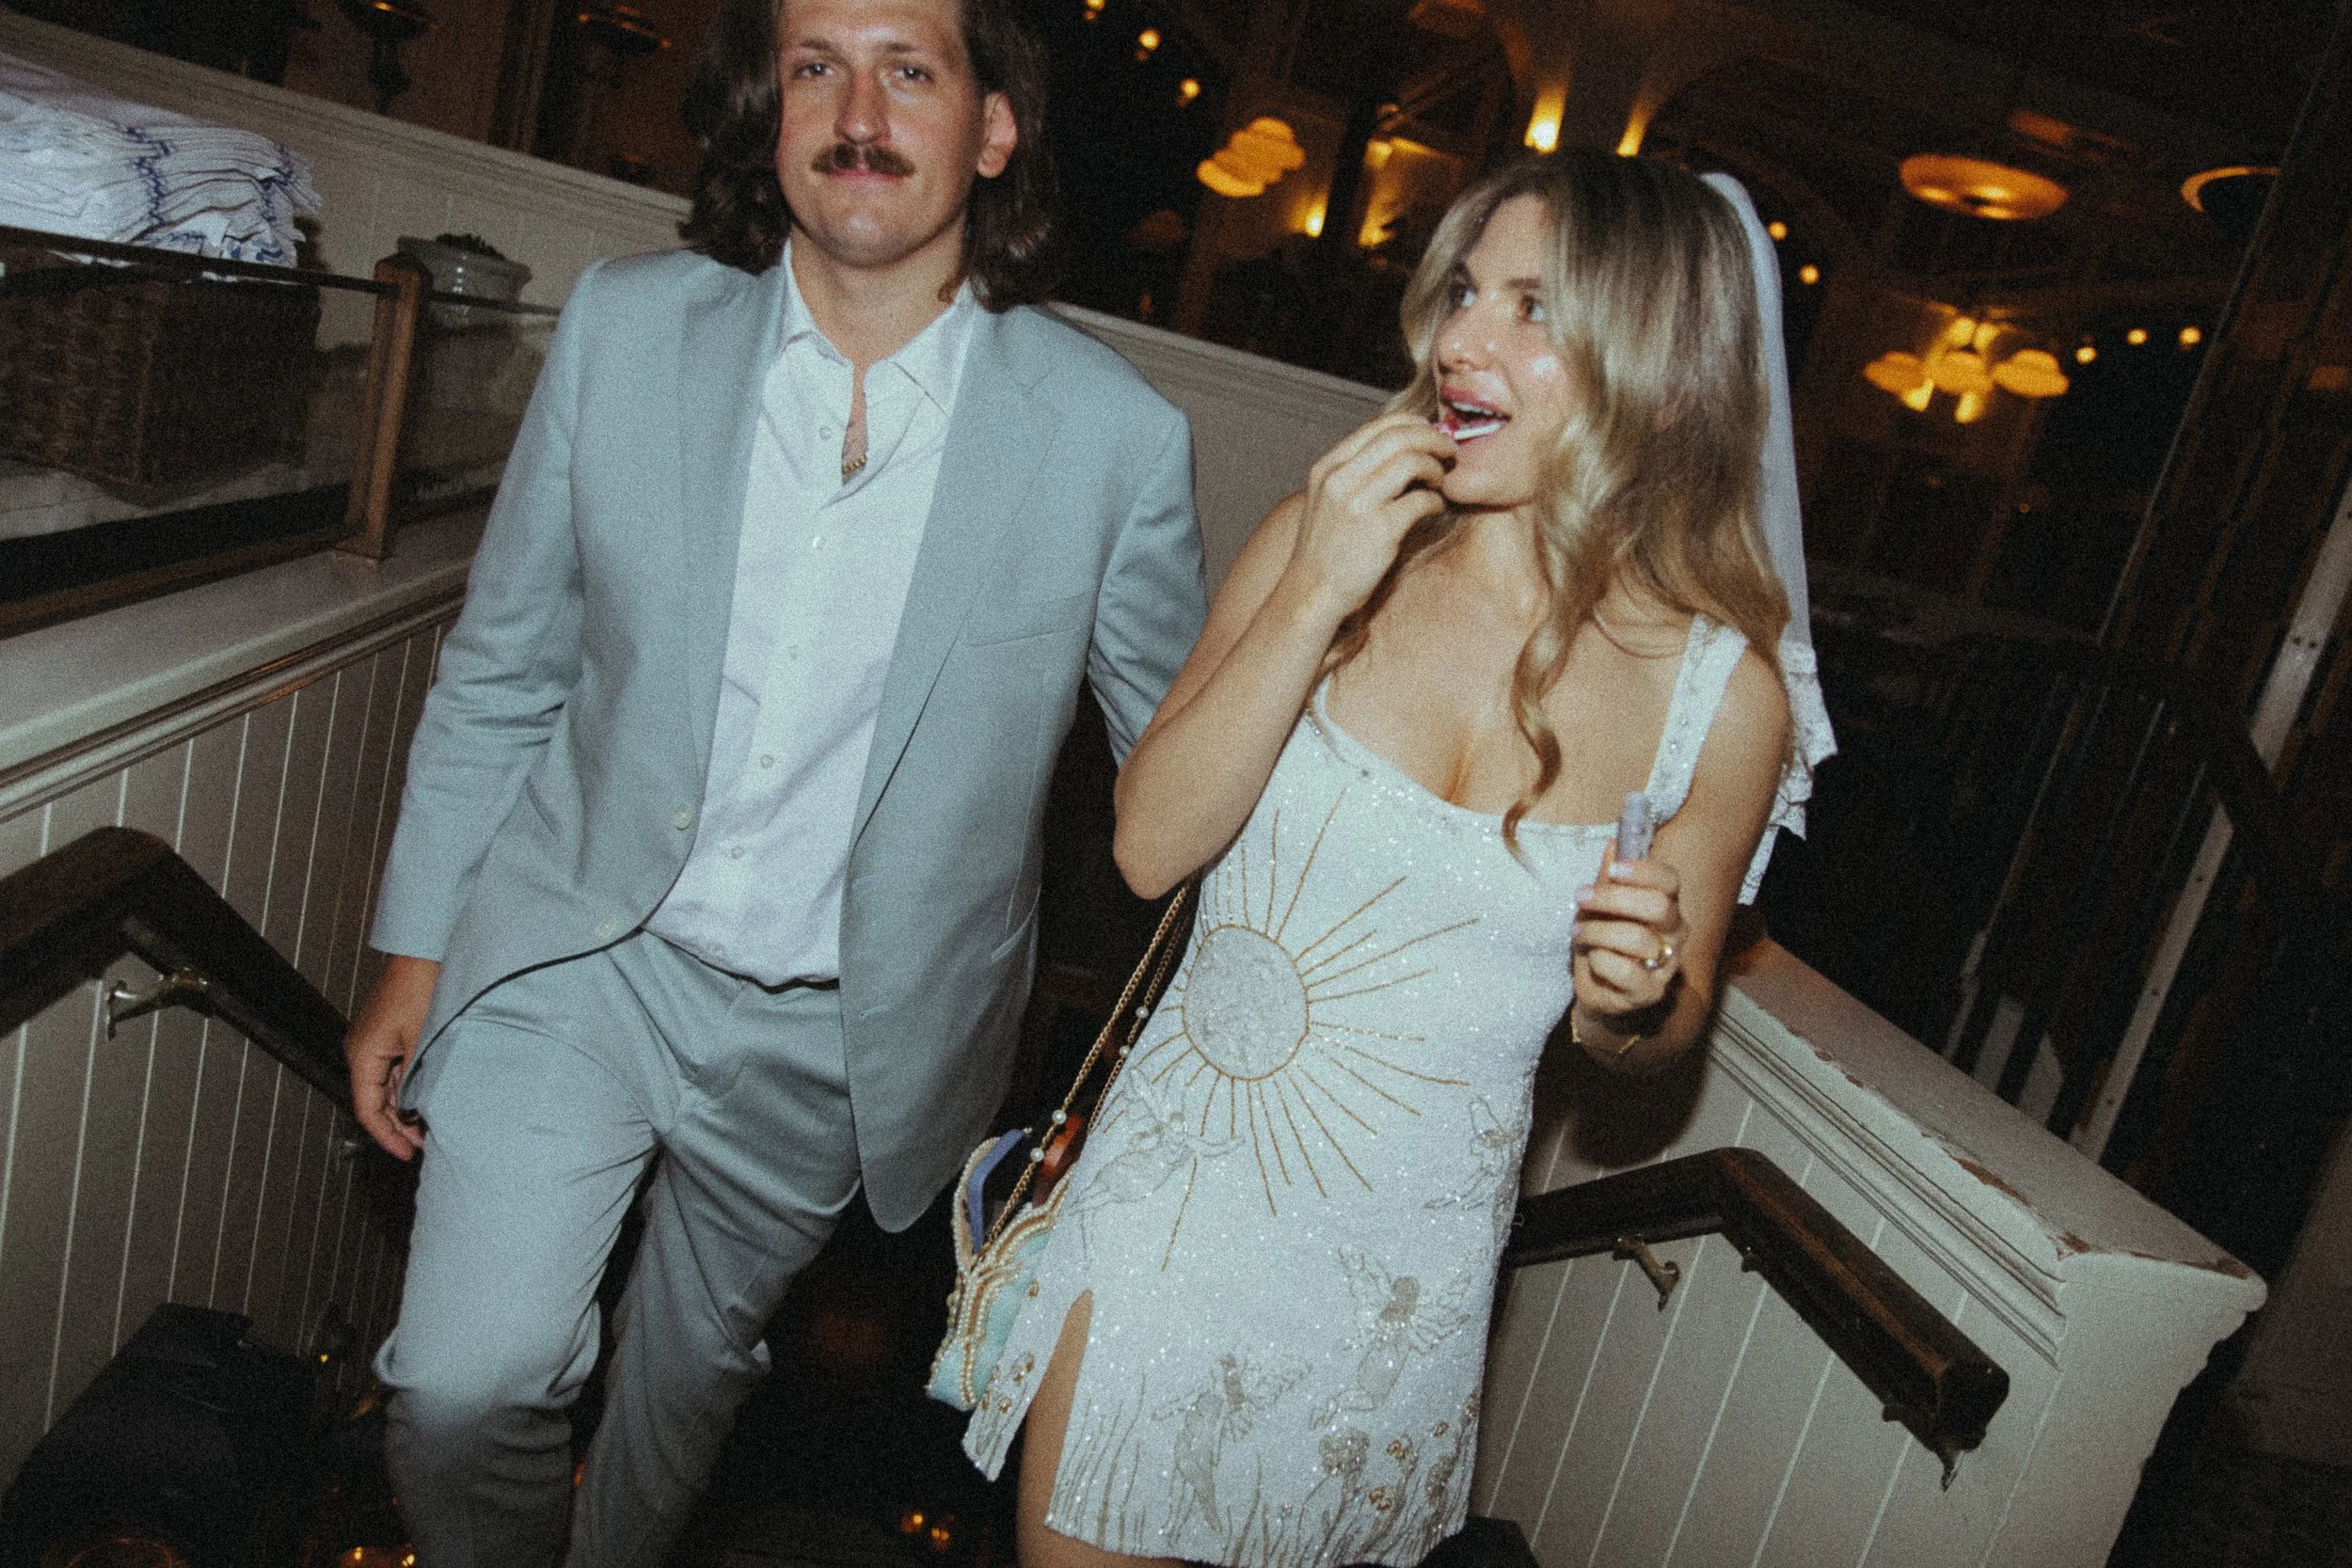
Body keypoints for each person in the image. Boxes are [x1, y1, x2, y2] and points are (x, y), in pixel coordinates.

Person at [338, 0, 1205, 1562]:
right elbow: (505, 663)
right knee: (466, 1381)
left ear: (994, 127)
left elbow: (1178, 786)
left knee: (682, 1396)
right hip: (584, 954)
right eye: (817, 67)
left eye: (909, 69)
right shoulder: (624, 328)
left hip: (840, 1038)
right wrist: (415, 944)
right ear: (772, 108)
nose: (857, 112)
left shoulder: (1112, 441)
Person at [961, 150, 1836, 1568]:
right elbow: (1146, 845)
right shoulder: (1326, 548)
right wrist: (1316, 588)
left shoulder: (1722, 705)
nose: (1461, 341)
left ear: (1666, 376)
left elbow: (1655, 1035)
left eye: (1532, 309)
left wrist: (1632, 994)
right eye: (1464, 293)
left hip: (1400, 1303)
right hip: (1171, 1220)